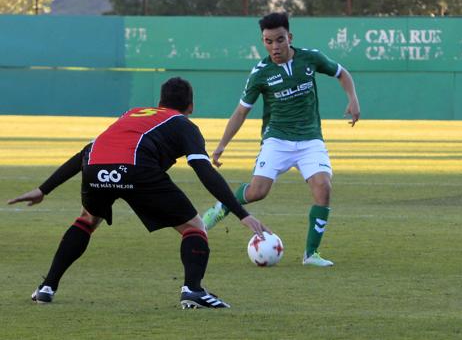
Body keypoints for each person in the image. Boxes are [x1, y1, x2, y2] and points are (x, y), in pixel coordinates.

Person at [8, 77, 270, 309]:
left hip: (95, 167)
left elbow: (86, 151)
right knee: (195, 227)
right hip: (136, 169)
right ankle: (193, 290)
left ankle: (46, 288)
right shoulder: (184, 124)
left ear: (158, 101)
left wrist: (44, 190)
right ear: (190, 107)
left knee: (88, 219)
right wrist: (240, 212)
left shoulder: (132, 113)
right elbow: (204, 170)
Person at [202, 12, 360, 267]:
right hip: (276, 140)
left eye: (279, 40)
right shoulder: (261, 73)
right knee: (257, 192)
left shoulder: (310, 58)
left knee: (323, 188)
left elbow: (342, 73)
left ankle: (311, 254)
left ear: (290, 38)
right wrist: (222, 145)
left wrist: (353, 99)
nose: (274, 47)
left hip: (310, 139)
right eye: (268, 41)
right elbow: (242, 111)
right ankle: (223, 205)